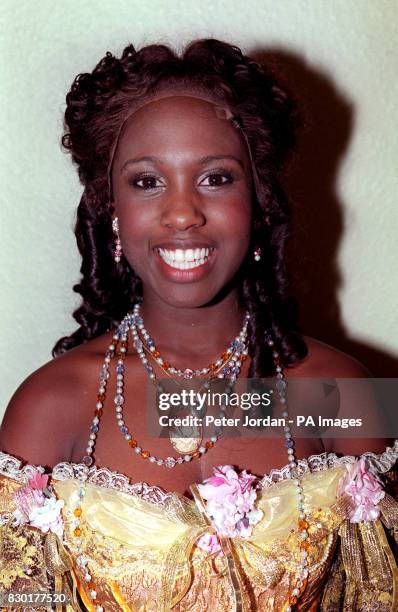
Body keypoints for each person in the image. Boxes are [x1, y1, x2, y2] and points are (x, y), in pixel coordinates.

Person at [0, 39, 396, 611]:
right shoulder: (50, 405)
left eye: (215, 178)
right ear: (109, 210)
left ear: (260, 204)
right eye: (146, 182)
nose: (183, 212)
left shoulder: (345, 393)